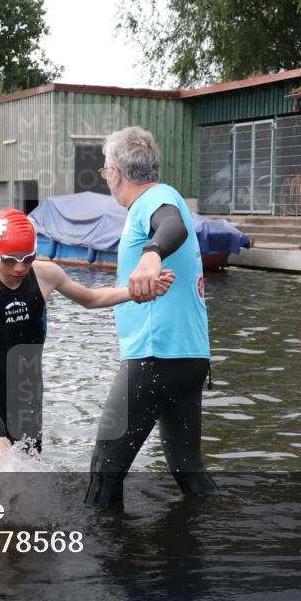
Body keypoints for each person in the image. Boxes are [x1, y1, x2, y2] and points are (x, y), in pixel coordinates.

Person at [0, 208, 175, 466]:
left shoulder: (46, 275)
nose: (19, 268)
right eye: (10, 260)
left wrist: (136, 292)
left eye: (27, 258)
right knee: (4, 466)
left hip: (27, 393)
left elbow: (91, 298)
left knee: (26, 476)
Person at [85, 126, 215, 508]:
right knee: (188, 469)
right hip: (189, 358)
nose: (106, 176)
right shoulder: (159, 198)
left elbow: (171, 225)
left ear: (115, 172)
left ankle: (100, 547)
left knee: (104, 469)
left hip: (155, 357)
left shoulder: (154, 199)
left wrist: (152, 253)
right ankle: (221, 534)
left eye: (105, 169)